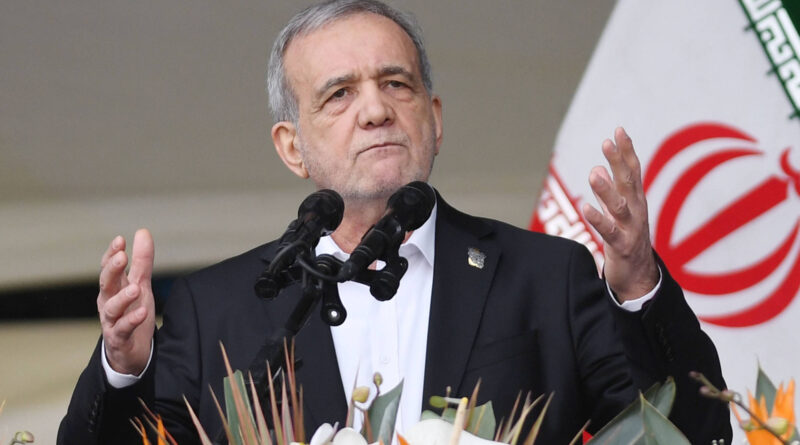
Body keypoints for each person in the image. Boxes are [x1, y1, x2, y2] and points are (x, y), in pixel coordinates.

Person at [58, 1, 732, 443]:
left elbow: (693, 433)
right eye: (339, 94)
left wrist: (639, 286)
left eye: (396, 84)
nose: (376, 111)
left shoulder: (546, 278)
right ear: (292, 147)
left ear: (434, 119)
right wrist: (124, 368)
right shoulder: (218, 309)